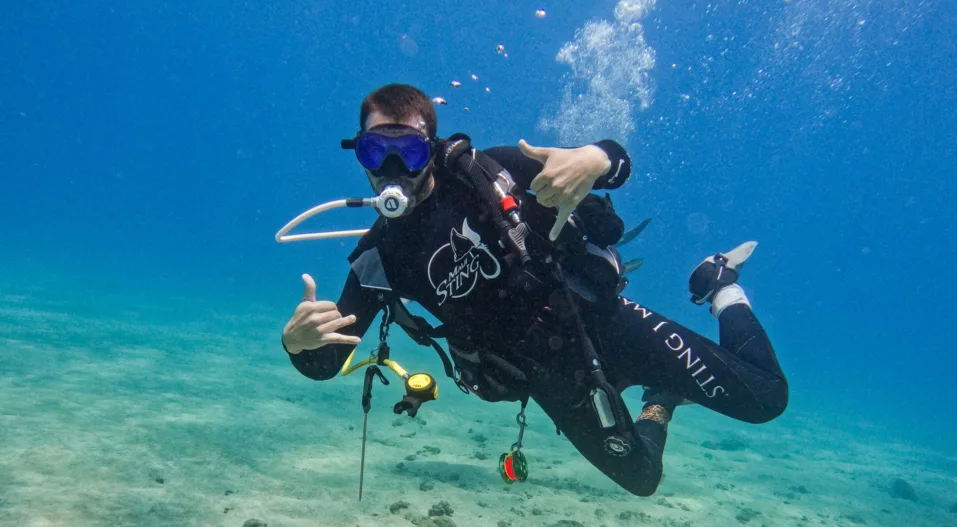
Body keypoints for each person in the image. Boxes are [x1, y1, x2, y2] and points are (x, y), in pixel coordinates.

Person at [281, 83, 787, 497]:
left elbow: (617, 163)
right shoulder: (379, 258)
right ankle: (661, 400)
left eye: (407, 151)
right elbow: (324, 363)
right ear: (359, 154)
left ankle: (718, 286)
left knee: (765, 398)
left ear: (431, 152)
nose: (390, 171)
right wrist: (298, 344)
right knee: (642, 479)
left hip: (602, 324)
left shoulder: (491, 172)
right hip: (550, 379)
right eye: (375, 151)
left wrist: (594, 158)